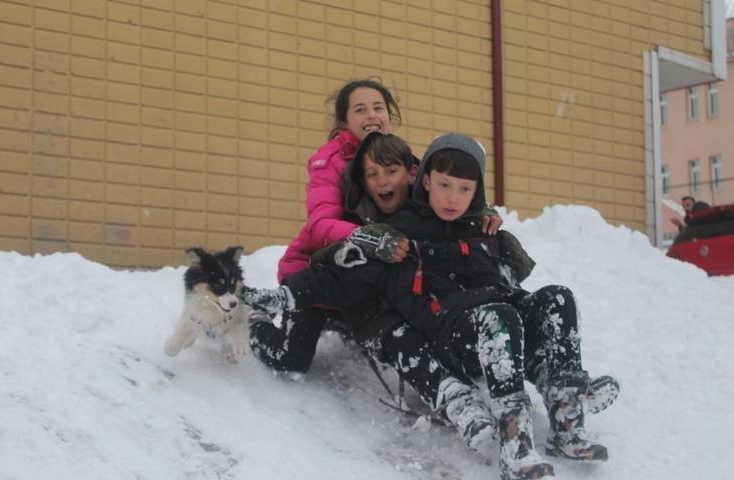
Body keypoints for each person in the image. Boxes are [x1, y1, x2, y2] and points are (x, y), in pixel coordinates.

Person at [244, 132, 619, 480]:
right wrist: (286, 296)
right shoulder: (399, 234)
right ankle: (515, 447)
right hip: (452, 336)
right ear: (425, 181)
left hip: (499, 324)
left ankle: (567, 417)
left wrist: (507, 249)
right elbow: (339, 275)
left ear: (477, 191)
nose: (453, 198)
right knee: (499, 317)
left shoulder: (480, 228)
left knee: (557, 298)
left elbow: (507, 282)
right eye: (444, 186)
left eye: (464, 189)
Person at [248, 79, 502, 453]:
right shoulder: (329, 162)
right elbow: (320, 225)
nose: (371, 115)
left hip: (377, 272)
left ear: (390, 115)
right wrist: (368, 237)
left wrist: (481, 212)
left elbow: (445, 191)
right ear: (343, 120)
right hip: (322, 269)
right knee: (292, 361)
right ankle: (256, 325)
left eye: (378, 107)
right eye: (360, 109)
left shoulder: (404, 159)